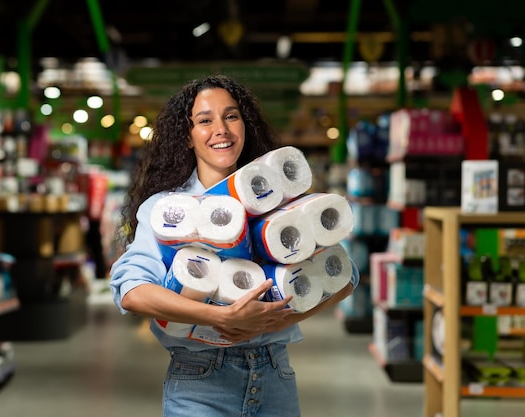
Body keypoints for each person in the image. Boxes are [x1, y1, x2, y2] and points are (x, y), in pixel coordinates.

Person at [109, 74, 358, 417]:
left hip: (275, 376)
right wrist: (220, 316)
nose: (221, 129)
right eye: (204, 120)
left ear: (245, 125)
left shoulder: (278, 203)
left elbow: (345, 277)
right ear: (187, 137)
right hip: (201, 380)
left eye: (231, 116)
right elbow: (132, 291)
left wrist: (278, 321)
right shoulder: (169, 212)